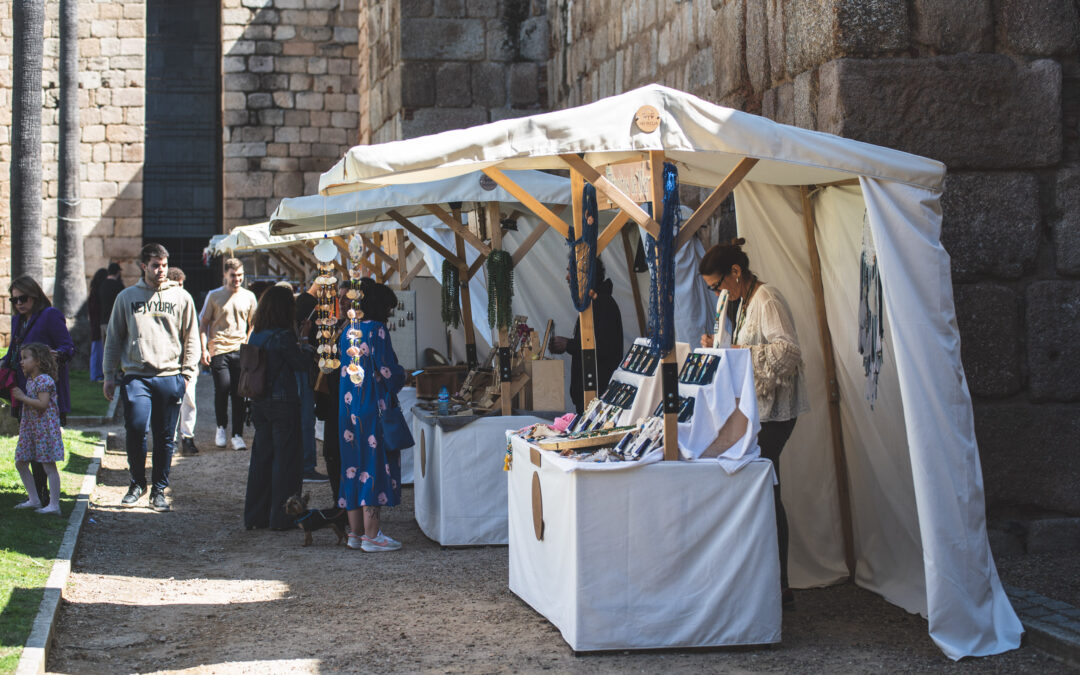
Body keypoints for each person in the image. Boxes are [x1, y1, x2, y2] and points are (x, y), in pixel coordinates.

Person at [699, 238, 809, 605]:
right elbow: (736, 345)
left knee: (763, 484)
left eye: (718, 285)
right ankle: (772, 581)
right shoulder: (741, 300)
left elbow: (788, 352)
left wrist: (738, 353)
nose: (717, 293)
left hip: (776, 412)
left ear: (736, 272)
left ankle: (777, 583)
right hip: (757, 410)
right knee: (764, 486)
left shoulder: (767, 299)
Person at [103, 243, 200, 512]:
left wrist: (188, 373)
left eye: (164, 265)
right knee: (135, 428)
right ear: (143, 266)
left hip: (170, 375)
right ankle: (137, 483)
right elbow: (114, 337)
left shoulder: (182, 298)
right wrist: (108, 374)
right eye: (156, 265)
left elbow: (191, 337)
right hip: (136, 374)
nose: (161, 270)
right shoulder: (126, 297)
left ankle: (159, 489)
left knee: (165, 436)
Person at [339, 279, 405, 552]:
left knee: (352, 468)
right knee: (373, 467)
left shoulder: (348, 330)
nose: (390, 314)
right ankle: (373, 535)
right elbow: (388, 370)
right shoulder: (376, 330)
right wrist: (403, 376)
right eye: (389, 308)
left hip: (348, 409)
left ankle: (355, 534)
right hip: (372, 406)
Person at [244, 284, 313, 530]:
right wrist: (304, 339)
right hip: (283, 402)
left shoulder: (257, 333)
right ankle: (282, 517)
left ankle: (255, 516)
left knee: (261, 459)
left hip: (259, 401)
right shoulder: (283, 336)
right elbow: (301, 363)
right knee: (285, 461)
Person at [5, 275, 75, 506]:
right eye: (13, 300)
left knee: (41, 448)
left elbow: (67, 347)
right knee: (28, 445)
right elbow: (12, 354)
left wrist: (56, 355)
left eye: (22, 298)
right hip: (23, 387)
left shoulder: (50, 315)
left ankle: (46, 497)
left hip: (43, 389)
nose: (18, 304)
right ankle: (37, 496)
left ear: (34, 295)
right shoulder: (18, 321)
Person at [548, 258, 624, 414]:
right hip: (586, 397)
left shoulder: (604, 304)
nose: (567, 277)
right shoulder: (592, 304)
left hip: (597, 398)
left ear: (585, 276)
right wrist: (568, 345)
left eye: (571, 272)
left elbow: (606, 347)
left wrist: (569, 345)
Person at [199, 258, 257, 450]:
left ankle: (237, 434)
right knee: (222, 389)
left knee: (239, 393)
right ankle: (221, 427)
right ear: (225, 275)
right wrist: (204, 348)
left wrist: (249, 342)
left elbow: (253, 323)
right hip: (219, 349)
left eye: (240, 275)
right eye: (233, 275)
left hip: (240, 349)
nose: (237, 279)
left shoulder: (249, 296)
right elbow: (204, 323)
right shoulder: (214, 296)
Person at [10, 343, 64, 515]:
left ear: (39, 361)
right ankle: (34, 499)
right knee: (21, 462)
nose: (22, 362)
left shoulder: (44, 380)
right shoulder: (31, 380)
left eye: (25, 358)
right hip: (32, 429)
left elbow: (42, 404)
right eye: (21, 358)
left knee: (49, 465)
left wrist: (22, 397)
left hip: (44, 429)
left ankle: (54, 505)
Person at [294, 282, 325, 483]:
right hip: (301, 376)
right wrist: (305, 340)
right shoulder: (299, 329)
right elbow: (301, 358)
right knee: (305, 420)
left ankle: (303, 465)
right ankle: (306, 466)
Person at [168, 266, 199, 456]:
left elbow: (192, 332)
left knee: (189, 400)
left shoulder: (186, 299)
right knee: (170, 402)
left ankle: (187, 437)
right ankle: (170, 439)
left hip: (186, 359)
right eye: (175, 284)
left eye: (181, 284)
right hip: (169, 361)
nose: (179, 288)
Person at [87, 268, 108, 382]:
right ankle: (95, 375)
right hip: (97, 325)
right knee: (97, 350)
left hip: (95, 324)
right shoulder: (96, 294)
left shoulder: (94, 292)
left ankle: (97, 374)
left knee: (98, 350)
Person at [98, 262, 124, 339]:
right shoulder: (118, 286)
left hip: (103, 321)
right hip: (115, 322)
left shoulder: (102, 284)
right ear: (118, 272)